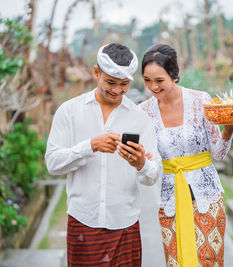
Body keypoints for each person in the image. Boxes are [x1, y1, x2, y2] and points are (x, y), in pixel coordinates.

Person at [45, 43, 162, 266]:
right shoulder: (69, 111)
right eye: (110, 82)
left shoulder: (141, 118)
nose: (117, 90)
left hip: (125, 225)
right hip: (82, 222)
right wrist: (90, 146)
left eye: (124, 84)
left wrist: (141, 164)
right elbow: (52, 163)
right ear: (96, 72)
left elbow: (153, 175)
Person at [139, 44, 233, 267]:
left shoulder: (201, 101)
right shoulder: (144, 112)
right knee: (177, 261)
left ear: (174, 75)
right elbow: (149, 164)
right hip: (170, 200)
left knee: (208, 261)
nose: (153, 87)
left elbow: (219, 153)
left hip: (207, 197)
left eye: (159, 80)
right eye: (147, 80)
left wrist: (229, 129)